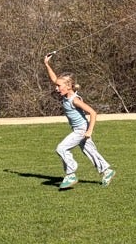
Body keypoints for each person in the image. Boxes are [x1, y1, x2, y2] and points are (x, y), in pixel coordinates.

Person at [43, 53, 115, 190]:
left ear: (68, 86)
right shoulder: (65, 92)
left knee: (61, 148)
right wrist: (47, 64)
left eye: (59, 86)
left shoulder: (74, 100)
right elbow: (54, 79)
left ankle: (71, 174)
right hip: (80, 129)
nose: (56, 88)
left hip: (81, 130)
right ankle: (107, 171)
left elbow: (93, 113)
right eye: (57, 86)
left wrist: (89, 131)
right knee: (90, 151)